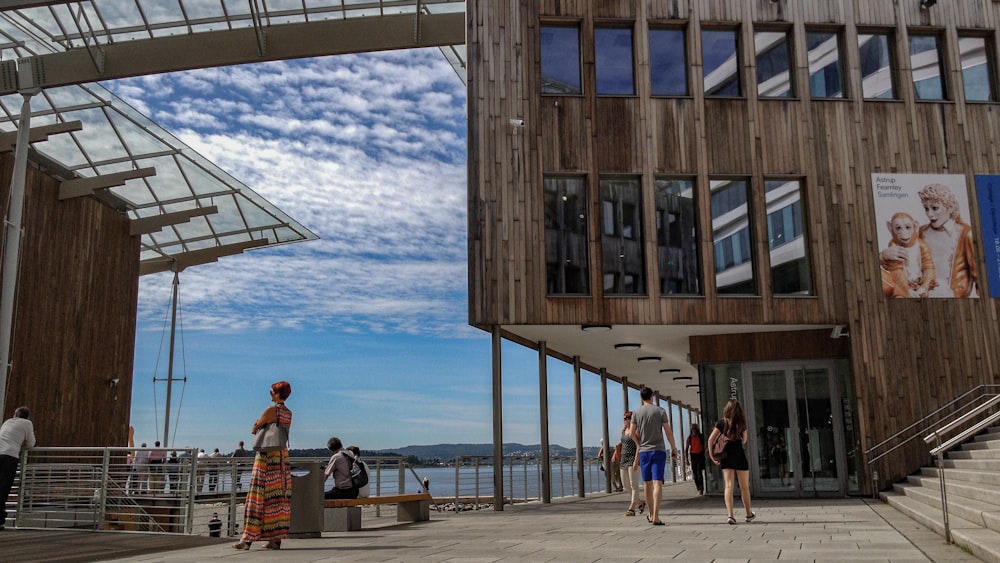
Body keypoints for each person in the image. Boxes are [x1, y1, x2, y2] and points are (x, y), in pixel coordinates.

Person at [233, 380, 292, 551]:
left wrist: (257, 426)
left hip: (266, 458)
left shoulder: (271, 410)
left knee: (257, 498)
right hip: (281, 459)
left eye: (272, 391)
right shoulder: (288, 413)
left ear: (276, 393)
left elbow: (255, 428)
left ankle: (247, 539)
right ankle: (275, 539)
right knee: (276, 499)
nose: (270, 393)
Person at [628, 387, 678, 526]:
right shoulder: (660, 411)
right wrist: (673, 447)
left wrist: (639, 444)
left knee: (647, 484)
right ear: (652, 396)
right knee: (658, 483)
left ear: (641, 397)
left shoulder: (636, 412)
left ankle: (650, 514)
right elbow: (668, 432)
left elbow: (631, 433)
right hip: (659, 451)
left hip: (644, 452)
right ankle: (656, 515)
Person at [708, 399, 755, 525]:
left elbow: (710, 439)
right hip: (739, 455)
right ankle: (748, 514)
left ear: (727, 409)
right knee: (744, 487)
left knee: (728, 486)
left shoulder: (721, 423)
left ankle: (730, 515)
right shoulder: (741, 423)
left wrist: (712, 455)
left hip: (726, 457)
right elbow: (744, 440)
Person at [0, 406, 35, 530]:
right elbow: (31, 443)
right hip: (10, 456)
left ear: (15, 414)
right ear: (27, 416)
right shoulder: (27, 423)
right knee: (3, 488)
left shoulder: (7, 422)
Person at [618, 411, 644, 516]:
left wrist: (636, 461)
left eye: (627, 418)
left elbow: (639, 446)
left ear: (631, 419)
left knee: (634, 484)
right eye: (624, 418)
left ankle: (632, 508)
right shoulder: (624, 431)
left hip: (633, 459)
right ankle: (640, 502)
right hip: (623, 459)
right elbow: (622, 443)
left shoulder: (636, 431)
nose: (625, 420)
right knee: (625, 485)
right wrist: (615, 453)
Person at [685, 422, 706, 495]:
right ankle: (698, 488)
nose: (693, 430)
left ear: (697, 430)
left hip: (700, 455)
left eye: (695, 429)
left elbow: (704, 445)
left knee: (699, 472)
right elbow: (687, 449)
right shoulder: (689, 438)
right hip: (693, 455)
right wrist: (687, 459)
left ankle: (701, 489)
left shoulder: (700, 436)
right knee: (694, 474)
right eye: (692, 429)